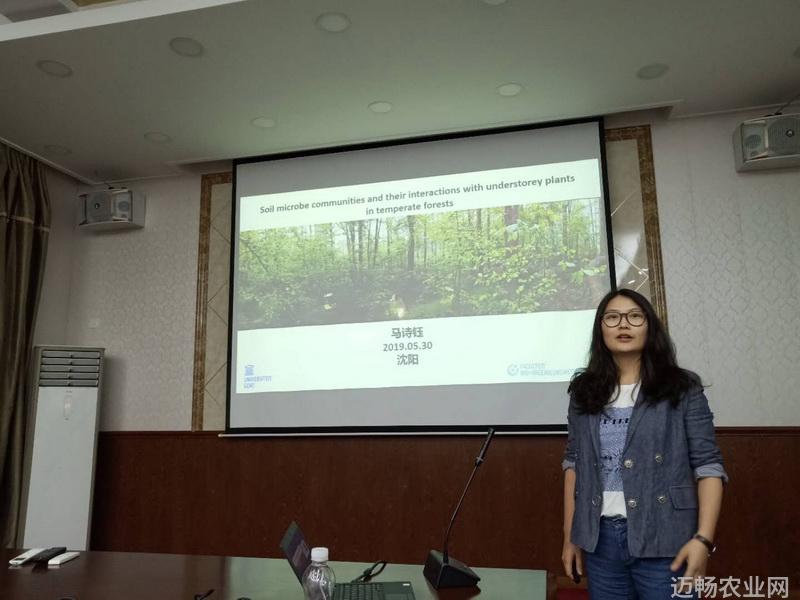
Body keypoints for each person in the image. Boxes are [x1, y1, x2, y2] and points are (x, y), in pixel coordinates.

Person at [561, 289, 727, 599]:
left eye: (634, 316)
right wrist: (570, 536)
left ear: (650, 326)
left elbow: (709, 466)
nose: (623, 324)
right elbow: (574, 465)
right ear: (601, 328)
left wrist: (703, 539)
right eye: (612, 317)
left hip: (667, 537)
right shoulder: (584, 390)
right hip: (601, 543)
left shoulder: (681, 387)